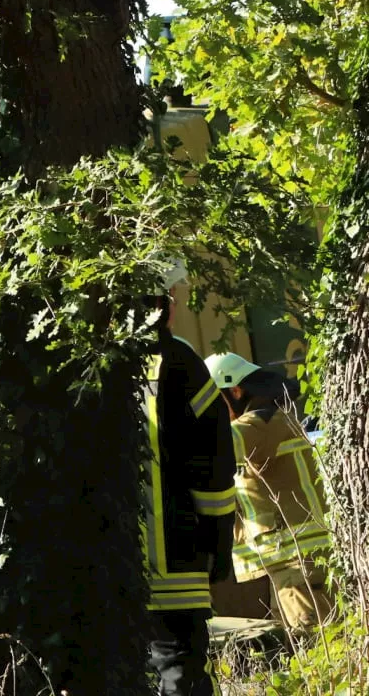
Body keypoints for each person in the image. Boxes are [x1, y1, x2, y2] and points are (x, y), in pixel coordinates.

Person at [142, 264, 237, 696]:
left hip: (101, 566)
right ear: (163, 305)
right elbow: (213, 466)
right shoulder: (179, 361)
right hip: (176, 564)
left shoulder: (86, 361)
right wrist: (219, 549)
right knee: (180, 672)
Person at [204, 352, 333, 633]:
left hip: (296, 563)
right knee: (305, 648)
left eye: (210, 404)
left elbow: (212, 451)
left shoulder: (258, 424)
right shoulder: (272, 419)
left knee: (314, 643)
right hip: (291, 564)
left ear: (235, 391)